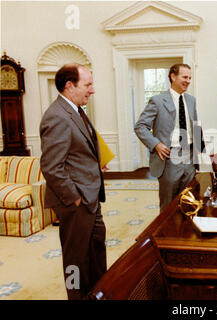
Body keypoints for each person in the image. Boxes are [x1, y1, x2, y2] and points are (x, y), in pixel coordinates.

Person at [40, 63, 106, 300]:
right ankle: (76, 297)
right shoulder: (57, 116)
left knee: (96, 251)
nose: (92, 90)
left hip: (91, 196)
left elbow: (76, 151)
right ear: (70, 86)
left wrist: (94, 163)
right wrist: (74, 198)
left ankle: (98, 294)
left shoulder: (76, 110)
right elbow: (51, 166)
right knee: (75, 260)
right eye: (87, 85)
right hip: (76, 201)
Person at [135, 63, 204, 211]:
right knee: (168, 203)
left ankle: (185, 231)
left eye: (190, 78)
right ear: (173, 77)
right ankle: (164, 233)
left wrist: (200, 147)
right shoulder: (157, 101)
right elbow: (140, 126)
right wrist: (156, 144)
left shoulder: (191, 100)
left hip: (190, 156)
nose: (188, 81)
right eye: (185, 77)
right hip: (169, 158)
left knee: (189, 199)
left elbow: (195, 124)